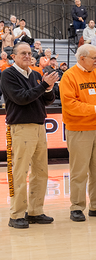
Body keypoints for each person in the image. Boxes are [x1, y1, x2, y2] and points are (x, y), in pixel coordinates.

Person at [1, 42, 59, 228]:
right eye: (23, 53)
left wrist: (49, 88)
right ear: (14, 56)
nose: (27, 55)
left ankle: (35, 211)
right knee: (19, 172)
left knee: (41, 172)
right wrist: (43, 85)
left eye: (29, 53)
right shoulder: (8, 75)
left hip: (39, 126)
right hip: (20, 127)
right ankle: (16, 214)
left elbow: (47, 100)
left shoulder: (35, 74)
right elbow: (21, 98)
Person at [59, 44, 96, 222]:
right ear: (82, 58)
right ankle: (76, 207)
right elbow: (70, 105)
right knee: (79, 171)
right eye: (94, 58)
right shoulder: (69, 76)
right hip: (78, 130)